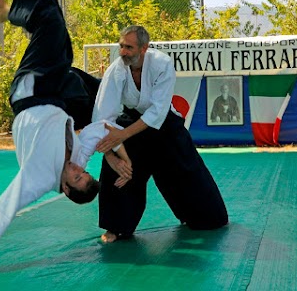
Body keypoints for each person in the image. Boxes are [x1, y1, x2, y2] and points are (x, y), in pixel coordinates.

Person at [0, 0, 131, 257]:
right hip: (53, 92)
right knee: (59, 36)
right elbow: (101, 129)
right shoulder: (78, 159)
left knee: (53, 28)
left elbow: (8, 204)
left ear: (66, 190)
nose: (79, 171)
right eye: (84, 174)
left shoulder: (40, 177)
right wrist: (121, 157)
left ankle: (9, 13)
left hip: (30, 93)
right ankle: (12, 14)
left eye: (77, 178)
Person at [93, 25, 229, 243]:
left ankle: (205, 215)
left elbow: (157, 112)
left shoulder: (162, 64)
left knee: (185, 168)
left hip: (164, 123)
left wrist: (123, 135)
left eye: (129, 47)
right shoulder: (116, 71)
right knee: (117, 170)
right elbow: (103, 118)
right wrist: (112, 156)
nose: (123, 52)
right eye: (121, 46)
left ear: (144, 48)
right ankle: (116, 227)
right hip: (131, 120)